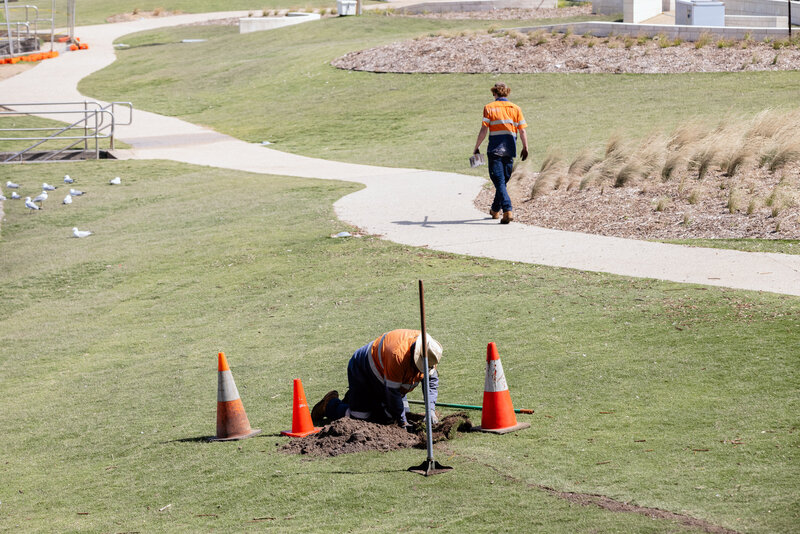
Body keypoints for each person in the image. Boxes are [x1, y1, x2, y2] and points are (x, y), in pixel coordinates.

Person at [311, 329, 442, 428]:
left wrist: (430, 410)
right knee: (359, 419)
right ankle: (330, 405)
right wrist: (403, 422)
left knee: (397, 413)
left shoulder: (430, 352)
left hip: (387, 376)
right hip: (363, 370)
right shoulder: (398, 356)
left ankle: (355, 399)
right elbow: (392, 392)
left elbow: (431, 382)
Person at [473, 82, 529, 224]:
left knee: (499, 181)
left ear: (494, 93)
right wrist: (525, 147)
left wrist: (476, 147)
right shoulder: (516, 108)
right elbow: (522, 130)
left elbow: (484, 130)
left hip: (495, 150)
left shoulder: (489, 108)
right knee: (502, 181)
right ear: (507, 93)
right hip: (510, 150)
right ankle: (495, 210)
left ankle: (508, 210)